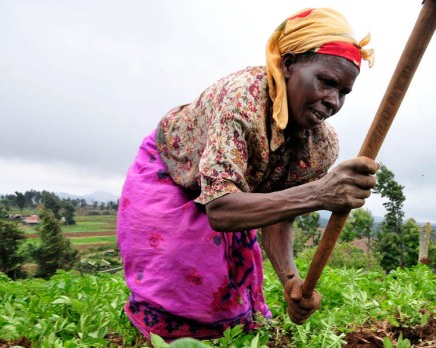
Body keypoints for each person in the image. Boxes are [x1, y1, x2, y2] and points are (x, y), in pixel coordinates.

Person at [117, 7, 378, 341]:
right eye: (326, 82)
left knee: (228, 302)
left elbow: (279, 213)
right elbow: (221, 210)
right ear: (288, 64)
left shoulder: (320, 145)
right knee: (180, 276)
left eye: (343, 92)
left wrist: (291, 282)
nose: (333, 102)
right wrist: (319, 194)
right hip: (174, 172)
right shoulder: (242, 102)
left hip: (234, 190)